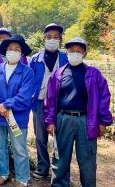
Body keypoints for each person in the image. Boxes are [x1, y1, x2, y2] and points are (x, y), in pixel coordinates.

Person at [44, 37, 113, 187]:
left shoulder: (94, 74)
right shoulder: (58, 74)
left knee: (87, 159)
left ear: (84, 54)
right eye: (71, 51)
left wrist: (103, 121)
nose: (74, 54)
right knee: (60, 158)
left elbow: (104, 97)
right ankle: (59, 184)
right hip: (63, 119)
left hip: (86, 121)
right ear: (67, 52)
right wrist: (50, 121)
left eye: (78, 51)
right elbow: (49, 100)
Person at [0, 35, 34, 187]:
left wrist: (6, 105)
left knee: (19, 148)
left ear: (22, 53)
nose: (13, 51)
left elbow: (24, 95)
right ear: (5, 51)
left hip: (17, 117)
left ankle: (22, 178)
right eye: (10, 49)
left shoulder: (27, 72)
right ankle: (3, 173)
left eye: (17, 49)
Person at [28, 23, 68, 179]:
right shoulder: (35, 59)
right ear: (44, 39)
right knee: (40, 137)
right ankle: (42, 166)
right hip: (39, 103)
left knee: (60, 137)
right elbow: (29, 81)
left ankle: (59, 169)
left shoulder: (65, 58)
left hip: (60, 104)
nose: (52, 40)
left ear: (60, 40)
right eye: (49, 37)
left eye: (56, 37)